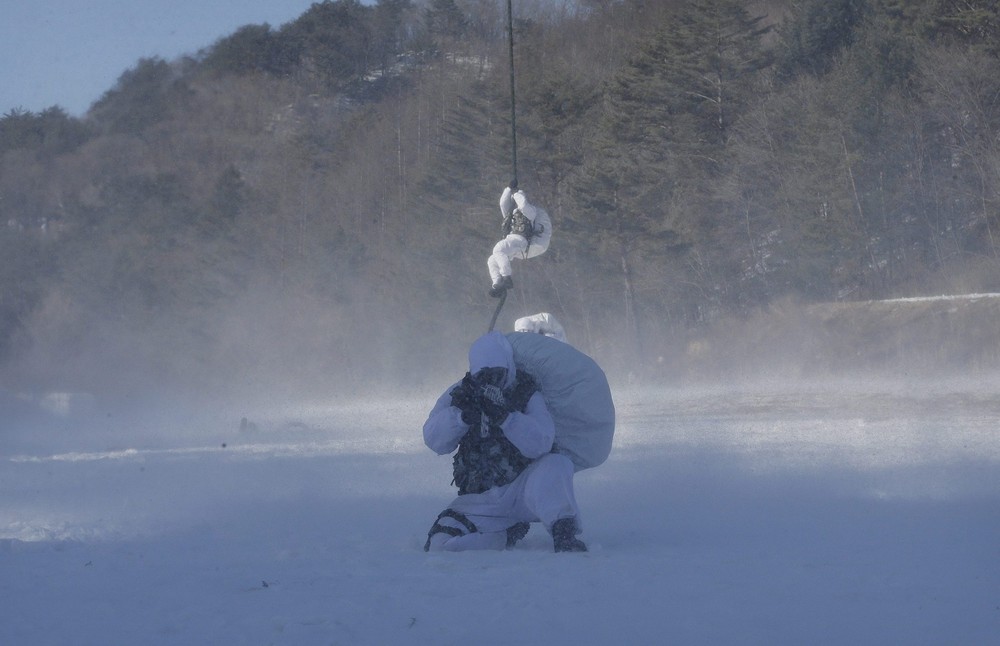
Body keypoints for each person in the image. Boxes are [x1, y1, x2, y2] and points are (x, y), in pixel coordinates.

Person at [423, 331, 588, 552]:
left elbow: (541, 443)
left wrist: (506, 418)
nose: (492, 381)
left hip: (523, 490)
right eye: (484, 375)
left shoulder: (526, 393)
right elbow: (433, 440)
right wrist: (461, 417)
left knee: (556, 464)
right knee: (439, 544)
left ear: (508, 369)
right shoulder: (460, 393)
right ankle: (505, 534)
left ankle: (564, 532)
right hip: (480, 499)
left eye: (498, 374)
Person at [487, 181, 552, 297]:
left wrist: (517, 193)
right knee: (492, 260)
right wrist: (508, 188)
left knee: (498, 249)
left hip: (520, 239)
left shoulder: (530, 212)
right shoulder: (510, 214)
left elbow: (523, 205)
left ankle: (507, 278)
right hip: (513, 243)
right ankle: (497, 283)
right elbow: (503, 203)